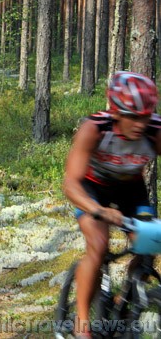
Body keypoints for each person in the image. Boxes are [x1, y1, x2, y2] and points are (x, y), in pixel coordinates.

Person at [63, 71, 161, 338]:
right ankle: (82, 320)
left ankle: (125, 304)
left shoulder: (155, 131)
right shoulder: (94, 129)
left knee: (149, 242)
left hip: (131, 189)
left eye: (145, 116)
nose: (140, 124)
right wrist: (98, 210)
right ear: (116, 112)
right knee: (98, 245)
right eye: (132, 116)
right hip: (91, 188)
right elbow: (70, 183)